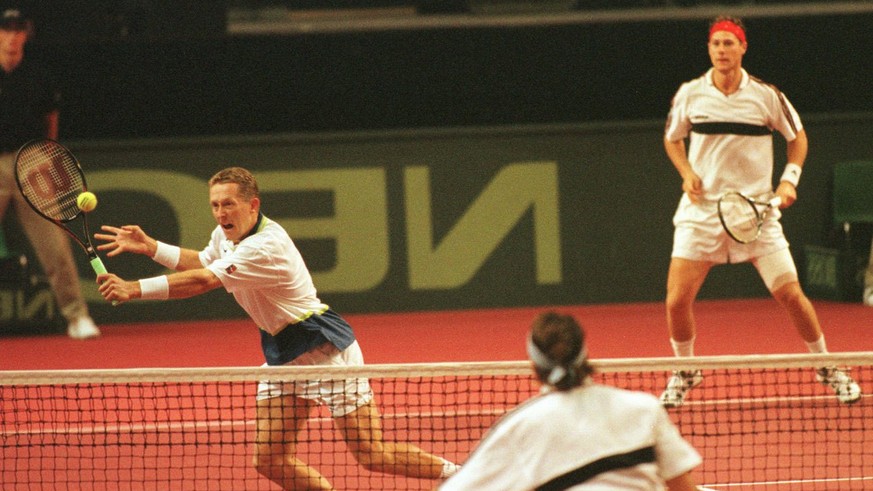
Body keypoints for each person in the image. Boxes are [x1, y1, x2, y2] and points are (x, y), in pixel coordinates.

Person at [93, 166, 459, 490]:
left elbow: (204, 280)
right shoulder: (226, 235)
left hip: (324, 350)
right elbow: (204, 261)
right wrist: (151, 247)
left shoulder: (265, 246)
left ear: (253, 205)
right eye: (215, 205)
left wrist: (133, 288)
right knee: (268, 459)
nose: (221, 212)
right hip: (283, 354)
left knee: (371, 454)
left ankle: (464, 476)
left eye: (229, 204)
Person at [660, 15, 860, 407]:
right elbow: (672, 139)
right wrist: (686, 173)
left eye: (729, 44)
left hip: (756, 213)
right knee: (675, 301)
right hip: (701, 213)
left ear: (742, 48)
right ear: (709, 49)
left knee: (790, 293)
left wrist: (789, 180)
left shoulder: (766, 96)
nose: (722, 51)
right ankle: (685, 370)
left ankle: (828, 365)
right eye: (716, 44)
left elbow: (797, 137)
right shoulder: (690, 94)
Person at [440, 311, 702, 490]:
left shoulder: (519, 428)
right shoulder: (645, 409)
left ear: (534, 366)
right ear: (586, 356)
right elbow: (681, 486)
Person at [0, 6, 100, 339]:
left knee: (55, 246)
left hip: (32, 165)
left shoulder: (39, 76)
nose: (12, 36)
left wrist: (47, 154)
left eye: (18, 29)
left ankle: (77, 316)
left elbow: (50, 120)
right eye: (6, 29)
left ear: (25, 34)